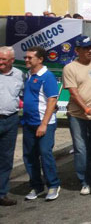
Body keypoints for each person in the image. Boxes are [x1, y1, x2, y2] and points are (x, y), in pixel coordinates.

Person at [62, 36, 91, 195]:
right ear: (77, 51)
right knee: (81, 149)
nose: (89, 50)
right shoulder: (70, 68)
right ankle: (85, 182)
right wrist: (87, 109)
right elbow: (73, 93)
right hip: (77, 115)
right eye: (85, 48)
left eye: (90, 47)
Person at [22, 46, 60, 201]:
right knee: (29, 156)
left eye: (30, 57)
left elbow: (52, 100)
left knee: (45, 153)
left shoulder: (47, 76)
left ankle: (53, 185)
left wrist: (44, 124)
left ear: (40, 59)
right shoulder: (28, 75)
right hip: (28, 123)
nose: (26, 60)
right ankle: (36, 186)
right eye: (26, 57)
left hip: (44, 123)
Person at [0, 47, 24, 206]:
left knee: (6, 159)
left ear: (12, 61)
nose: (0, 62)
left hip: (11, 120)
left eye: (3, 59)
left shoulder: (18, 74)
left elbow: (22, 94)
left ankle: (2, 193)